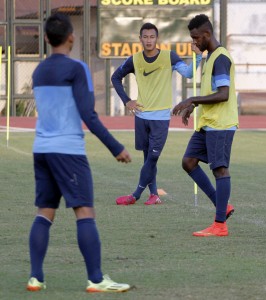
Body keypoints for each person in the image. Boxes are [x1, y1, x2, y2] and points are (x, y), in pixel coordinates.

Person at [27, 13, 132, 292]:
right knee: (85, 211)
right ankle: (96, 279)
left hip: (42, 149)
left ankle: (35, 277)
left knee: (44, 213)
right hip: (68, 151)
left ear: (47, 39)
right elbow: (88, 113)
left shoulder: (38, 71)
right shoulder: (77, 68)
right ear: (71, 37)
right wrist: (116, 147)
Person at [112, 23, 202, 206]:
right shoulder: (134, 60)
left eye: (152, 37)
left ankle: (135, 194)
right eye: (145, 37)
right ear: (140, 39)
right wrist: (127, 101)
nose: (148, 40)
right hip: (141, 116)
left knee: (153, 157)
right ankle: (154, 195)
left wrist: (198, 56)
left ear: (157, 38)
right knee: (148, 159)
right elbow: (115, 77)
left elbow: (189, 73)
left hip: (160, 118)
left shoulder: (169, 56)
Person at [172, 14, 238, 237]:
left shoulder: (220, 58)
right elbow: (213, 92)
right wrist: (194, 106)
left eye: (196, 38)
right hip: (208, 122)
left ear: (207, 34)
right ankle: (223, 206)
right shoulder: (209, 57)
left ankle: (220, 225)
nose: (194, 43)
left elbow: (223, 94)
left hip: (221, 124)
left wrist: (192, 100)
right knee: (189, 162)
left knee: (220, 169)